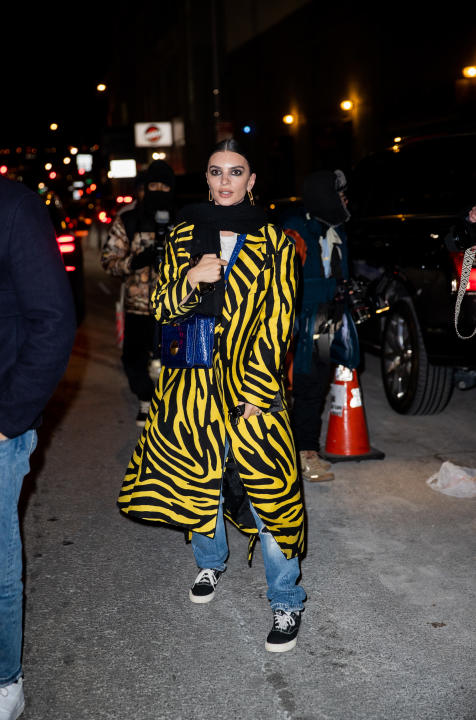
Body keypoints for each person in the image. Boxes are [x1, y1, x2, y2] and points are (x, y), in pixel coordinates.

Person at [118, 138, 306, 652]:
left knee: (271, 491)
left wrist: (259, 390)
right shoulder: (182, 235)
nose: (225, 181)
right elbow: (160, 307)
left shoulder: (275, 242)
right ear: (205, 179)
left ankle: (286, 598)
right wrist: (192, 280)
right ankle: (209, 563)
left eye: (236, 172)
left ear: (251, 181)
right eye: (216, 172)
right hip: (191, 387)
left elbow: (279, 319)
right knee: (199, 481)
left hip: (251, 386)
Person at [0, 177, 76, 719]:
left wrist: (7, 421)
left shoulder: (14, 207)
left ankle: (5, 680)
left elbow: (53, 322)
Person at [283, 169, 351, 482]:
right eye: (338, 193)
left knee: (315, 383)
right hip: (296, 318)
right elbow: (283, 280)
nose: (344, 199)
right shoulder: (295, 229)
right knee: (296, 386)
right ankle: (298, 454)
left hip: (324, 317)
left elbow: (336, 276)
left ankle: (304, 451)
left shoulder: (335, 230)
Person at [101, 159, 176, 427]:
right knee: (134, 360)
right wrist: (135, 261)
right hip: (139, 306)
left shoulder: (182, 220)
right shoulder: (129, 220)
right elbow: (109, 261)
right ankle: (146, 399)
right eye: (152, 185)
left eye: (164, 186)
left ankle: (172, 407)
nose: (157, 191)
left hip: (176, 306)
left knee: (175, 361)